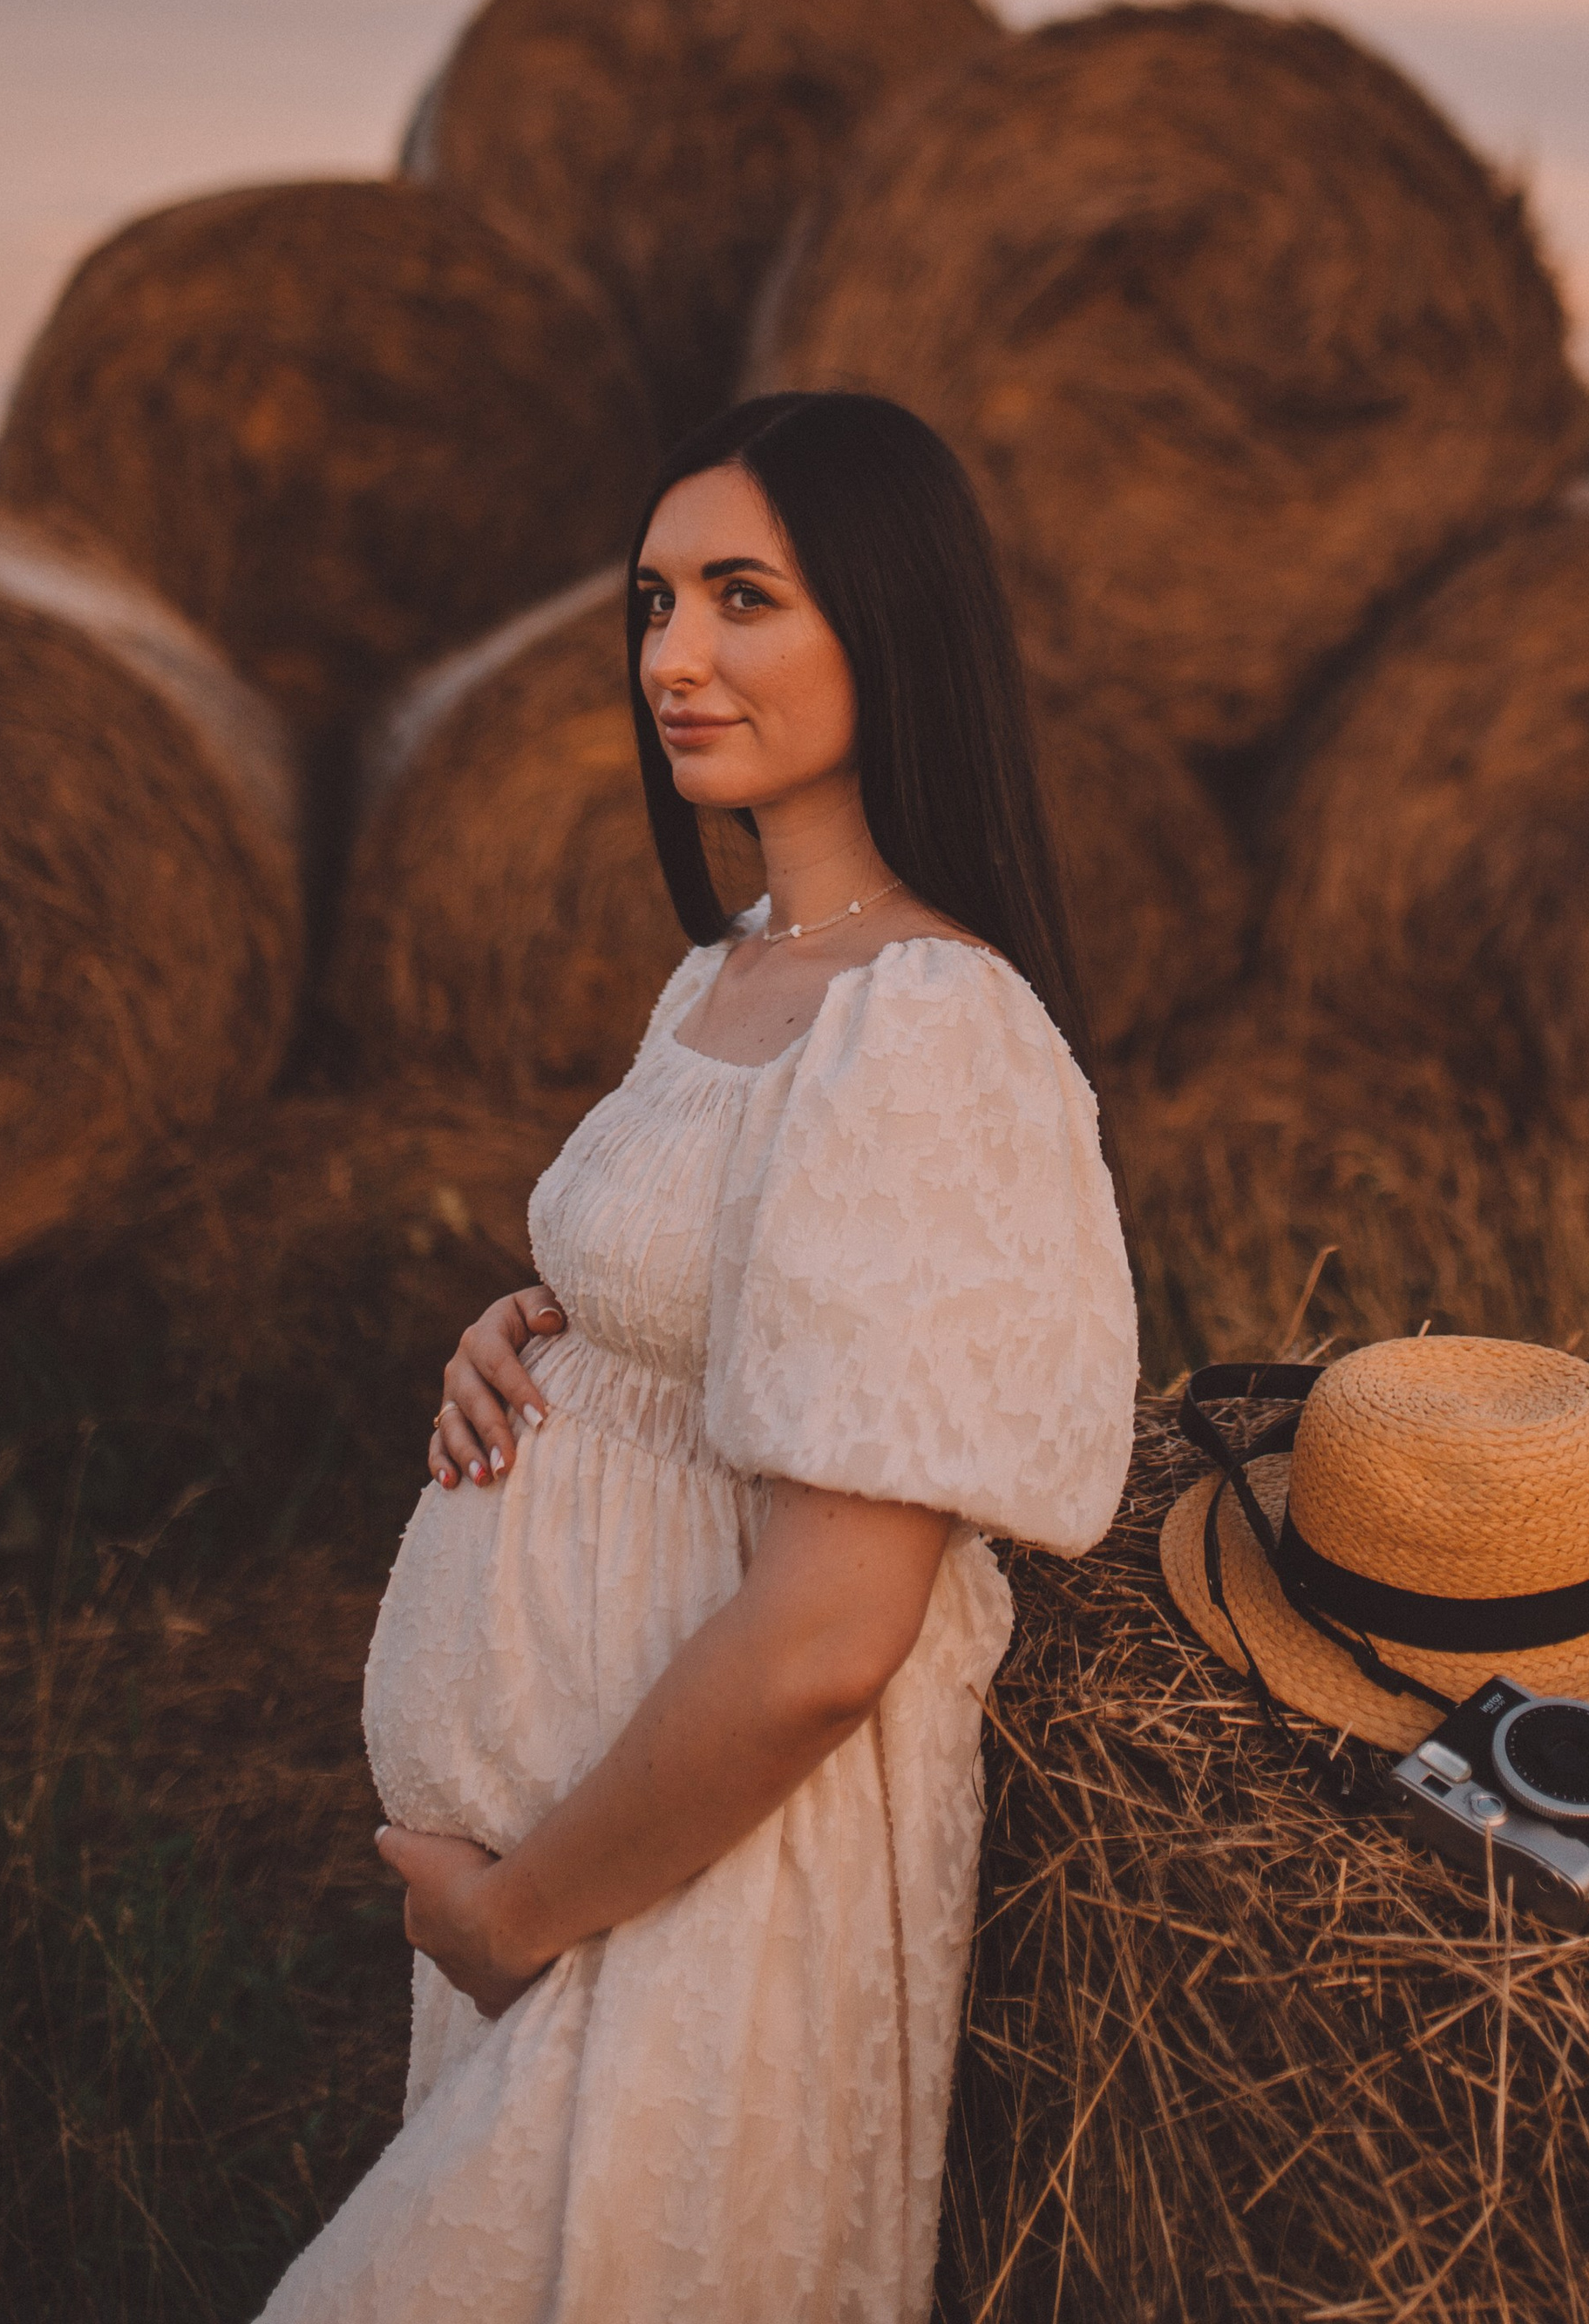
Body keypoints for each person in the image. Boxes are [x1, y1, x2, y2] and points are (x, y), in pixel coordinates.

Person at [256, 390, 1139, 2324]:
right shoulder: (732, 967)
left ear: (888, 622)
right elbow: (703, 1313)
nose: (673, 655)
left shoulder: (919, 1027)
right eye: (653, 600)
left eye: (743, 595)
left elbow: (833, 1627)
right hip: (579, 1863)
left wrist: (515, 1908)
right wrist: (535, 1338)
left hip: (695, 1884)